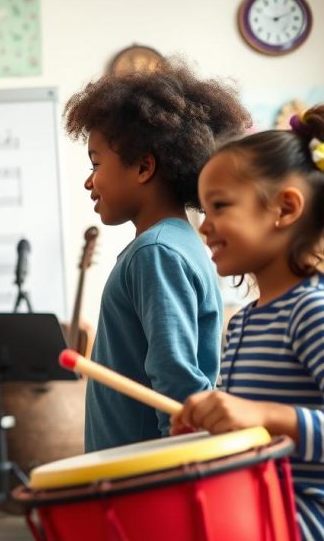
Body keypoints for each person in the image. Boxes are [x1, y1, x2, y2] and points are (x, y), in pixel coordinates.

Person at [171, 105, 324, 540]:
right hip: (261, 506)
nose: (205, 227)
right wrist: (213, 423)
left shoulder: (316, 310)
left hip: (311, 520)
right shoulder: (247, 321)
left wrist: (261, 414)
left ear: (284, 208)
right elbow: (251, 431)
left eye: (220, 206)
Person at [63, 59, 252, 452]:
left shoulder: (157, 253)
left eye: (96, 164)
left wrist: (179, 475)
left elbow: (177, 381)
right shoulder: (180, 242)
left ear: (144, 167)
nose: (88, 181)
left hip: (146, 478)